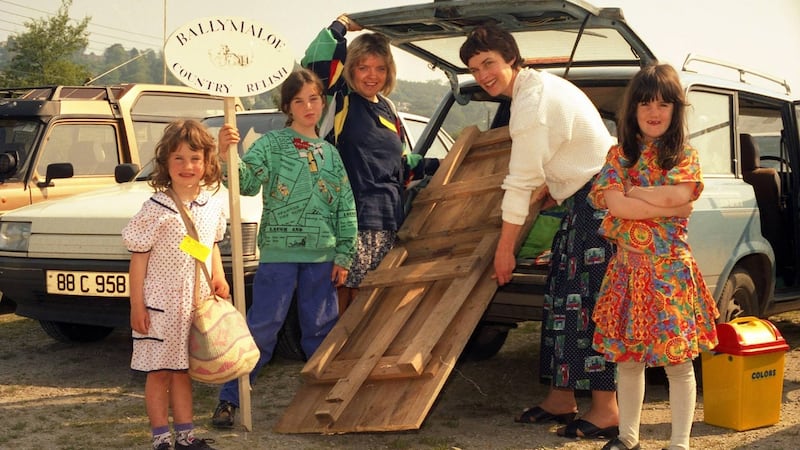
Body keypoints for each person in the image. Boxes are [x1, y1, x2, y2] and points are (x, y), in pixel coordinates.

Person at [459, 24, 620, 438]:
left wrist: (505, 249)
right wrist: (557, 185)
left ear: (511, 58)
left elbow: (519, 182)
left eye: (489, 63)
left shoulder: (532, 104)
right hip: (584, 200)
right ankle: (560, 399)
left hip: (600, 206)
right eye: (476, 69)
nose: (483, 75)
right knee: (563, 301)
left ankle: (606, 411)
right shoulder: (539, 88)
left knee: (589, 306)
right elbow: (569, 148)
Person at [210, 68, 357, 428]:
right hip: (277, 253)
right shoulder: (271, 145)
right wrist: (226, 152)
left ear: (323, 102)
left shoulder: (331, 154)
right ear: (288, 106)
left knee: (321, 329)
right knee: (262, 327)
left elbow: (345, 206)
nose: (308, 106)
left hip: (322, 257)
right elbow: (243, 184)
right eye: (299, 100)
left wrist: (344, 254)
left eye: (314, 98)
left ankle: (325, 400)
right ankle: (230, 399)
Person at [588, 63, 719, 450]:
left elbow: (679, 197)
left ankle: (679, 443)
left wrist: (637, 194)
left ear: (676, 110)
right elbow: (618, 206)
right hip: (628, 271)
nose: (654, 112)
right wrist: (664, 203)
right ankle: (628, 438)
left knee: (677, 362)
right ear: (632, 111)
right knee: (628, 360)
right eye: (645, 103)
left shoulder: (685, 156)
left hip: (671, 274)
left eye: (663, 104)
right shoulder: (619, 155)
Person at [302, 14, 438, 313]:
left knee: (372, 304)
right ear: (350, 69)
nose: (371, 75)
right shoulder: (339, 99)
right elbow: (315, 69)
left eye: (379, 68)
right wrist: (338, 28)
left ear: (389, 72)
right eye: (362, 67)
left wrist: (437, 166)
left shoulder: (389, 109)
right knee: (342, 297)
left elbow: (399, 165)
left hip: (387, 220)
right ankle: (331, 359)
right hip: (348, 221)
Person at [123, 119, 228, 450]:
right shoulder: (155, 208)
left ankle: (186, 436)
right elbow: (138, 259)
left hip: (194, 306)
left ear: (207, 162)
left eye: (195, 158)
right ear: (165, 162)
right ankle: (161, 440)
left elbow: (206, 245)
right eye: (178, 158)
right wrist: (136, 306)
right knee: (160, 373)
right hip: (159, 309)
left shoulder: (211, 205)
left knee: (183, 373)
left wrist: (219, 277)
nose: (187, 166)